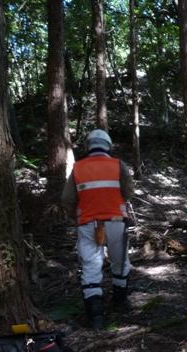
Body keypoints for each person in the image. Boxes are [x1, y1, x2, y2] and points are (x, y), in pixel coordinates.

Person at [62, 129, 134, 329]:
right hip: (117, 220)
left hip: (88, 222)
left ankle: (96, 317)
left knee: (91, 268)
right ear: (108, 146)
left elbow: (67, 199)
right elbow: (128, 191)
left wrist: (77, 215)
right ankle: (120, 303)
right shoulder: (118, 164)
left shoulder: (78, 168)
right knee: (120, 263)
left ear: (89, 146)